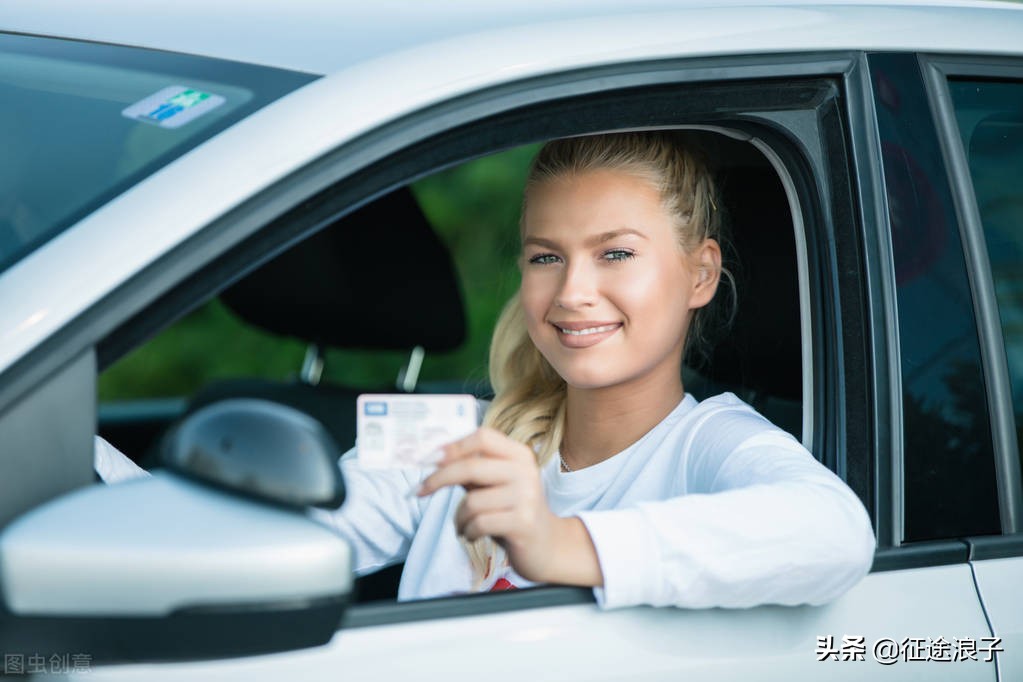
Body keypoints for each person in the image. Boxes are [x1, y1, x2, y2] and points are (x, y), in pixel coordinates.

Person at [96, 131, 876, 610]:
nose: (571, 292)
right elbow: (255, 547)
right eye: (545, 257)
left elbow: (835, 535)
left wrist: (559, 541)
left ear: (699, 275)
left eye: (615, 254)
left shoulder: (713, 445)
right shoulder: (462, 439)